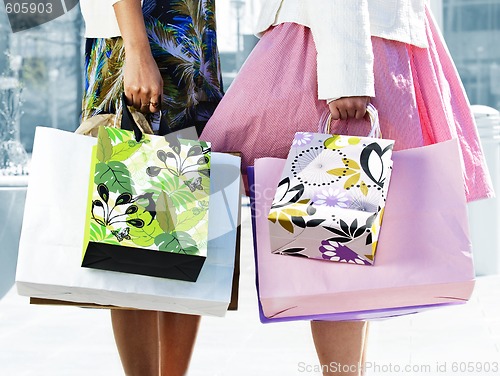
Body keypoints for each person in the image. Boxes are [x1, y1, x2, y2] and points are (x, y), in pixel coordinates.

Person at [201, 0, 494, 375]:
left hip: (358, 40)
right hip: (347, 47)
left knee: (348, 242)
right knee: (335, 242)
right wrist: (347, 78)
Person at [79, 0, 224, 375]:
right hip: (143, 43)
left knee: (183, 233)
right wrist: (137, 51)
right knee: (128, 233)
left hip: (189, 45)